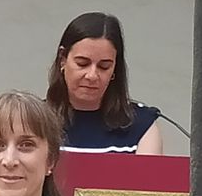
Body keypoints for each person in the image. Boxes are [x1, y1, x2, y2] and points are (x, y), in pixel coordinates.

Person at [46, 11, 163, 154]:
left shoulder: (142, 125)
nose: (92, 76)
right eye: (82, 63)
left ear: (115, 68)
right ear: (62, 59)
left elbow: (148, 169)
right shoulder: (33, 121)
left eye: (104, 66)